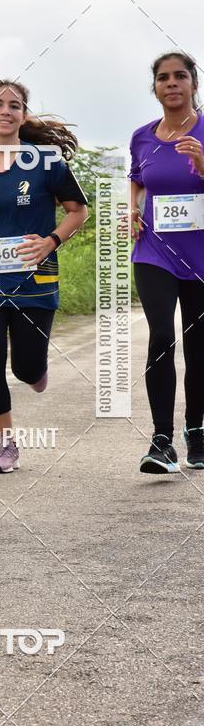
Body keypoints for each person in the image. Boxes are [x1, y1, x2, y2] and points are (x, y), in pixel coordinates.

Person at [0, 79, 88, 472]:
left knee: (24, 368)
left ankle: (35, 369)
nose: (5, 111)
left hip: (35, 283)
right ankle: (6, 444)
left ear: (24, 115)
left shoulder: (46, 161)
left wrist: (51, 241)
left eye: (14, 105)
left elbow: (78, 211)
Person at [130, 51, 204, 474]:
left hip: (201, 253)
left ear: (193, 83)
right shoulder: (142, 136)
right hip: (155, 250)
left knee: (199, 347)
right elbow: (138, 179)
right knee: (161, 334)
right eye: (163, 77)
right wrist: (133, 208)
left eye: (180, 76)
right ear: (155, 87)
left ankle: (196, 431)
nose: (171, 83)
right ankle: (161, 440)